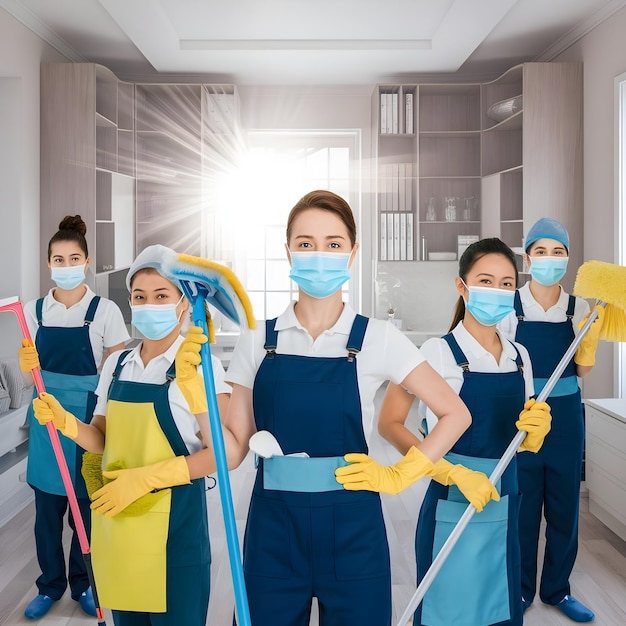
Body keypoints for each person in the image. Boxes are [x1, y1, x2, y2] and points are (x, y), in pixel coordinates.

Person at [219, 189, 486, 626]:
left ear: (353, 252)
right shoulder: (257, 340)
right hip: (273, 530)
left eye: (333, 244)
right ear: (288, 252)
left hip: (353, 528)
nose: (318, 254)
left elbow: (455, 413)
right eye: (305, 244)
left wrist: (401, 475)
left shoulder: (377, 338)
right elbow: (235, 448)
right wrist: (197, 392)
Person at [346, 237, 552, 626]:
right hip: (451, 497)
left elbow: (520, 440)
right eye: (486, 281)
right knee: (447, 608)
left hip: (505, 497)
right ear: (462, 285)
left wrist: (535, 434)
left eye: (507, 284)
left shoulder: (520, 356)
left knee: (501, 606)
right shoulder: (435, 353)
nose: (497, 291)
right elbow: (389, 423)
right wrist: (448, 471)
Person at [31, 244, 232, 626]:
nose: (148, 304)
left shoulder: (201, 368)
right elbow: (102, 440)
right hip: (118, 525)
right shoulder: (118, 364)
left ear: (183, 304)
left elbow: (219, 456)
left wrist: (145, 478)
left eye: (161, 296)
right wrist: (66, 422)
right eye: (140, 297)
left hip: (175, 531)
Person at [17, 215, 130, 620]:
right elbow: (32, 365)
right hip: (47, 419)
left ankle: (83, 584)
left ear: (86, 260)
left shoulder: (104, 311)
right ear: (48, 263)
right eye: (58, 259)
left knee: (85, 509)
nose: (66, 266)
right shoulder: (33, 310)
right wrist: (25, 358)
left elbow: (116, 368)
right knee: (47, 512)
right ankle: (50, 586)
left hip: (86, 421)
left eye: (73, 258)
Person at [498, 218, 601, 623]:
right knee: (523, 505)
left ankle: (557, 590)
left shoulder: (580, 308)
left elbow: (583, 371)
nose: (549, 259)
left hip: (567, 415)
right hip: (522, 414)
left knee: (564, 507)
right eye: (541, 252)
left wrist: (588, 343)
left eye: (558, 252)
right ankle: (521, 591)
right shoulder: (510, 306)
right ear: (526, 258)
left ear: (568, 259)